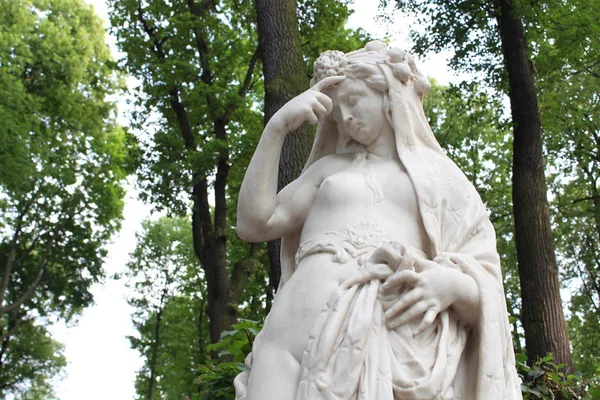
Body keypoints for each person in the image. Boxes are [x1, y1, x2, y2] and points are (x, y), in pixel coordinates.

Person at [235, 41, 522, 400]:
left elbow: (484, 278)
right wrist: (277, 129)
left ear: (387, 91)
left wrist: (450, 285)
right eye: (337, 114)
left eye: (353, 101)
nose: (347, 118)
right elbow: (254, 224)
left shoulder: (439, 177)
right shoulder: (328, 170)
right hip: (287, 335)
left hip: (383, 340)